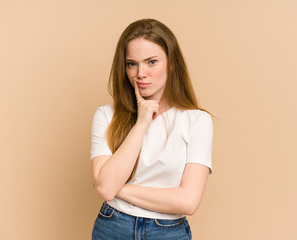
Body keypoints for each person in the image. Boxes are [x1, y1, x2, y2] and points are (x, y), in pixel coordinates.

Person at [90, 18, 213, 240]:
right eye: (131, 63)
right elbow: (106, 189)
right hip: (112, 227)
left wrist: (117, 188)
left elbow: (188, 201)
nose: (140, 73)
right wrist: (142, 123)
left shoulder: (197, 121)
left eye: (152, 62)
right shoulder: (106, 116)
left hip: (168, 232)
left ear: (172, 63)